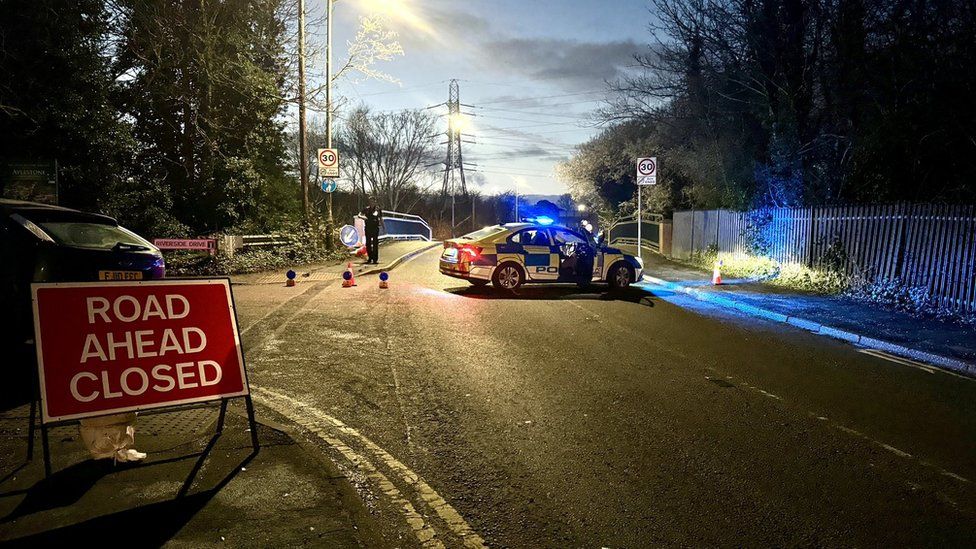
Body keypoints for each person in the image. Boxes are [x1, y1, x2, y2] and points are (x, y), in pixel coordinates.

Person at [360, 199, 382, 264]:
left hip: (375, 228)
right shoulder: (366, 209)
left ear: (375, 202)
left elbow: (381, 218)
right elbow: (359, 214)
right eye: (370, 202)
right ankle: (370, 258)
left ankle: (375, 259)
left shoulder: (378, 209)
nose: (372, 203)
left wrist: (383, 227)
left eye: (373, 202)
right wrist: (362, 217)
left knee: (375, 243)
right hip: (368, 228)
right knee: (368, 243)